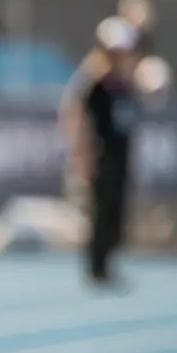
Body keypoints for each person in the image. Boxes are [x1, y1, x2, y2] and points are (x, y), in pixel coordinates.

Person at [62, 16, 140, 285]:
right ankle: (97, 266)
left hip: (119, 156)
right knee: (101, 212)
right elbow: (80, 119)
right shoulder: (94, 83)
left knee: (116, 211)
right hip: (100, 156)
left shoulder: (124, 85)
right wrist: (83, 155)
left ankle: (108, 262)